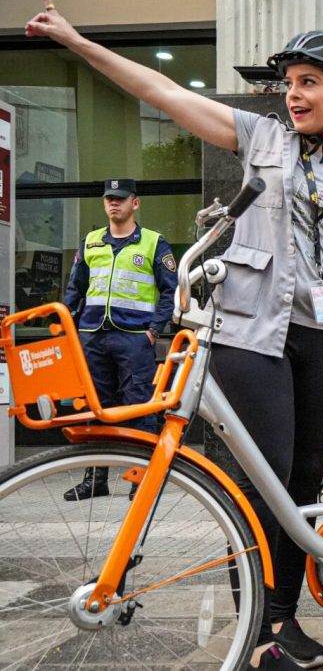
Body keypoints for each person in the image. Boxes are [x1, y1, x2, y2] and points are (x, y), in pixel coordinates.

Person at [27, 3, 323, 668]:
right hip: (253, 334)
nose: (294, 94)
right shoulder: (262, 138)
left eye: (309, 82)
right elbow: (159, 90)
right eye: (289, 83)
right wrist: (78, 43)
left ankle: (281, 623)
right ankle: (259, 622)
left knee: (303, 484)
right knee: (262, 480)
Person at [60, 178, 177, 502]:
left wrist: (154, 329)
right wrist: (67, 325)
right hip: (92, 336)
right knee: (94, 408)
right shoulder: (91, 242)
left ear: (135, 203)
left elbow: (170, 290)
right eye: (109, 199)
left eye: (121, 199)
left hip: (134, 338)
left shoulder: (154, 243)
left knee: (140, 406)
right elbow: (75, 289)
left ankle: (140, 479)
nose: (114, 203)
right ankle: (94, 480)